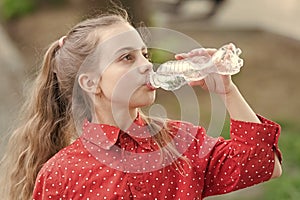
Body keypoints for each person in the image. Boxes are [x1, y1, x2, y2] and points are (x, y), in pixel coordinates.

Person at [0, 7, 282, 200]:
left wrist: (226, 90)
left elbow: (264, 164)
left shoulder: (180, 142)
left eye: (145, 54)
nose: (147, 65)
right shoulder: (61, 174)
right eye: (127, 58)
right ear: (90, 82)